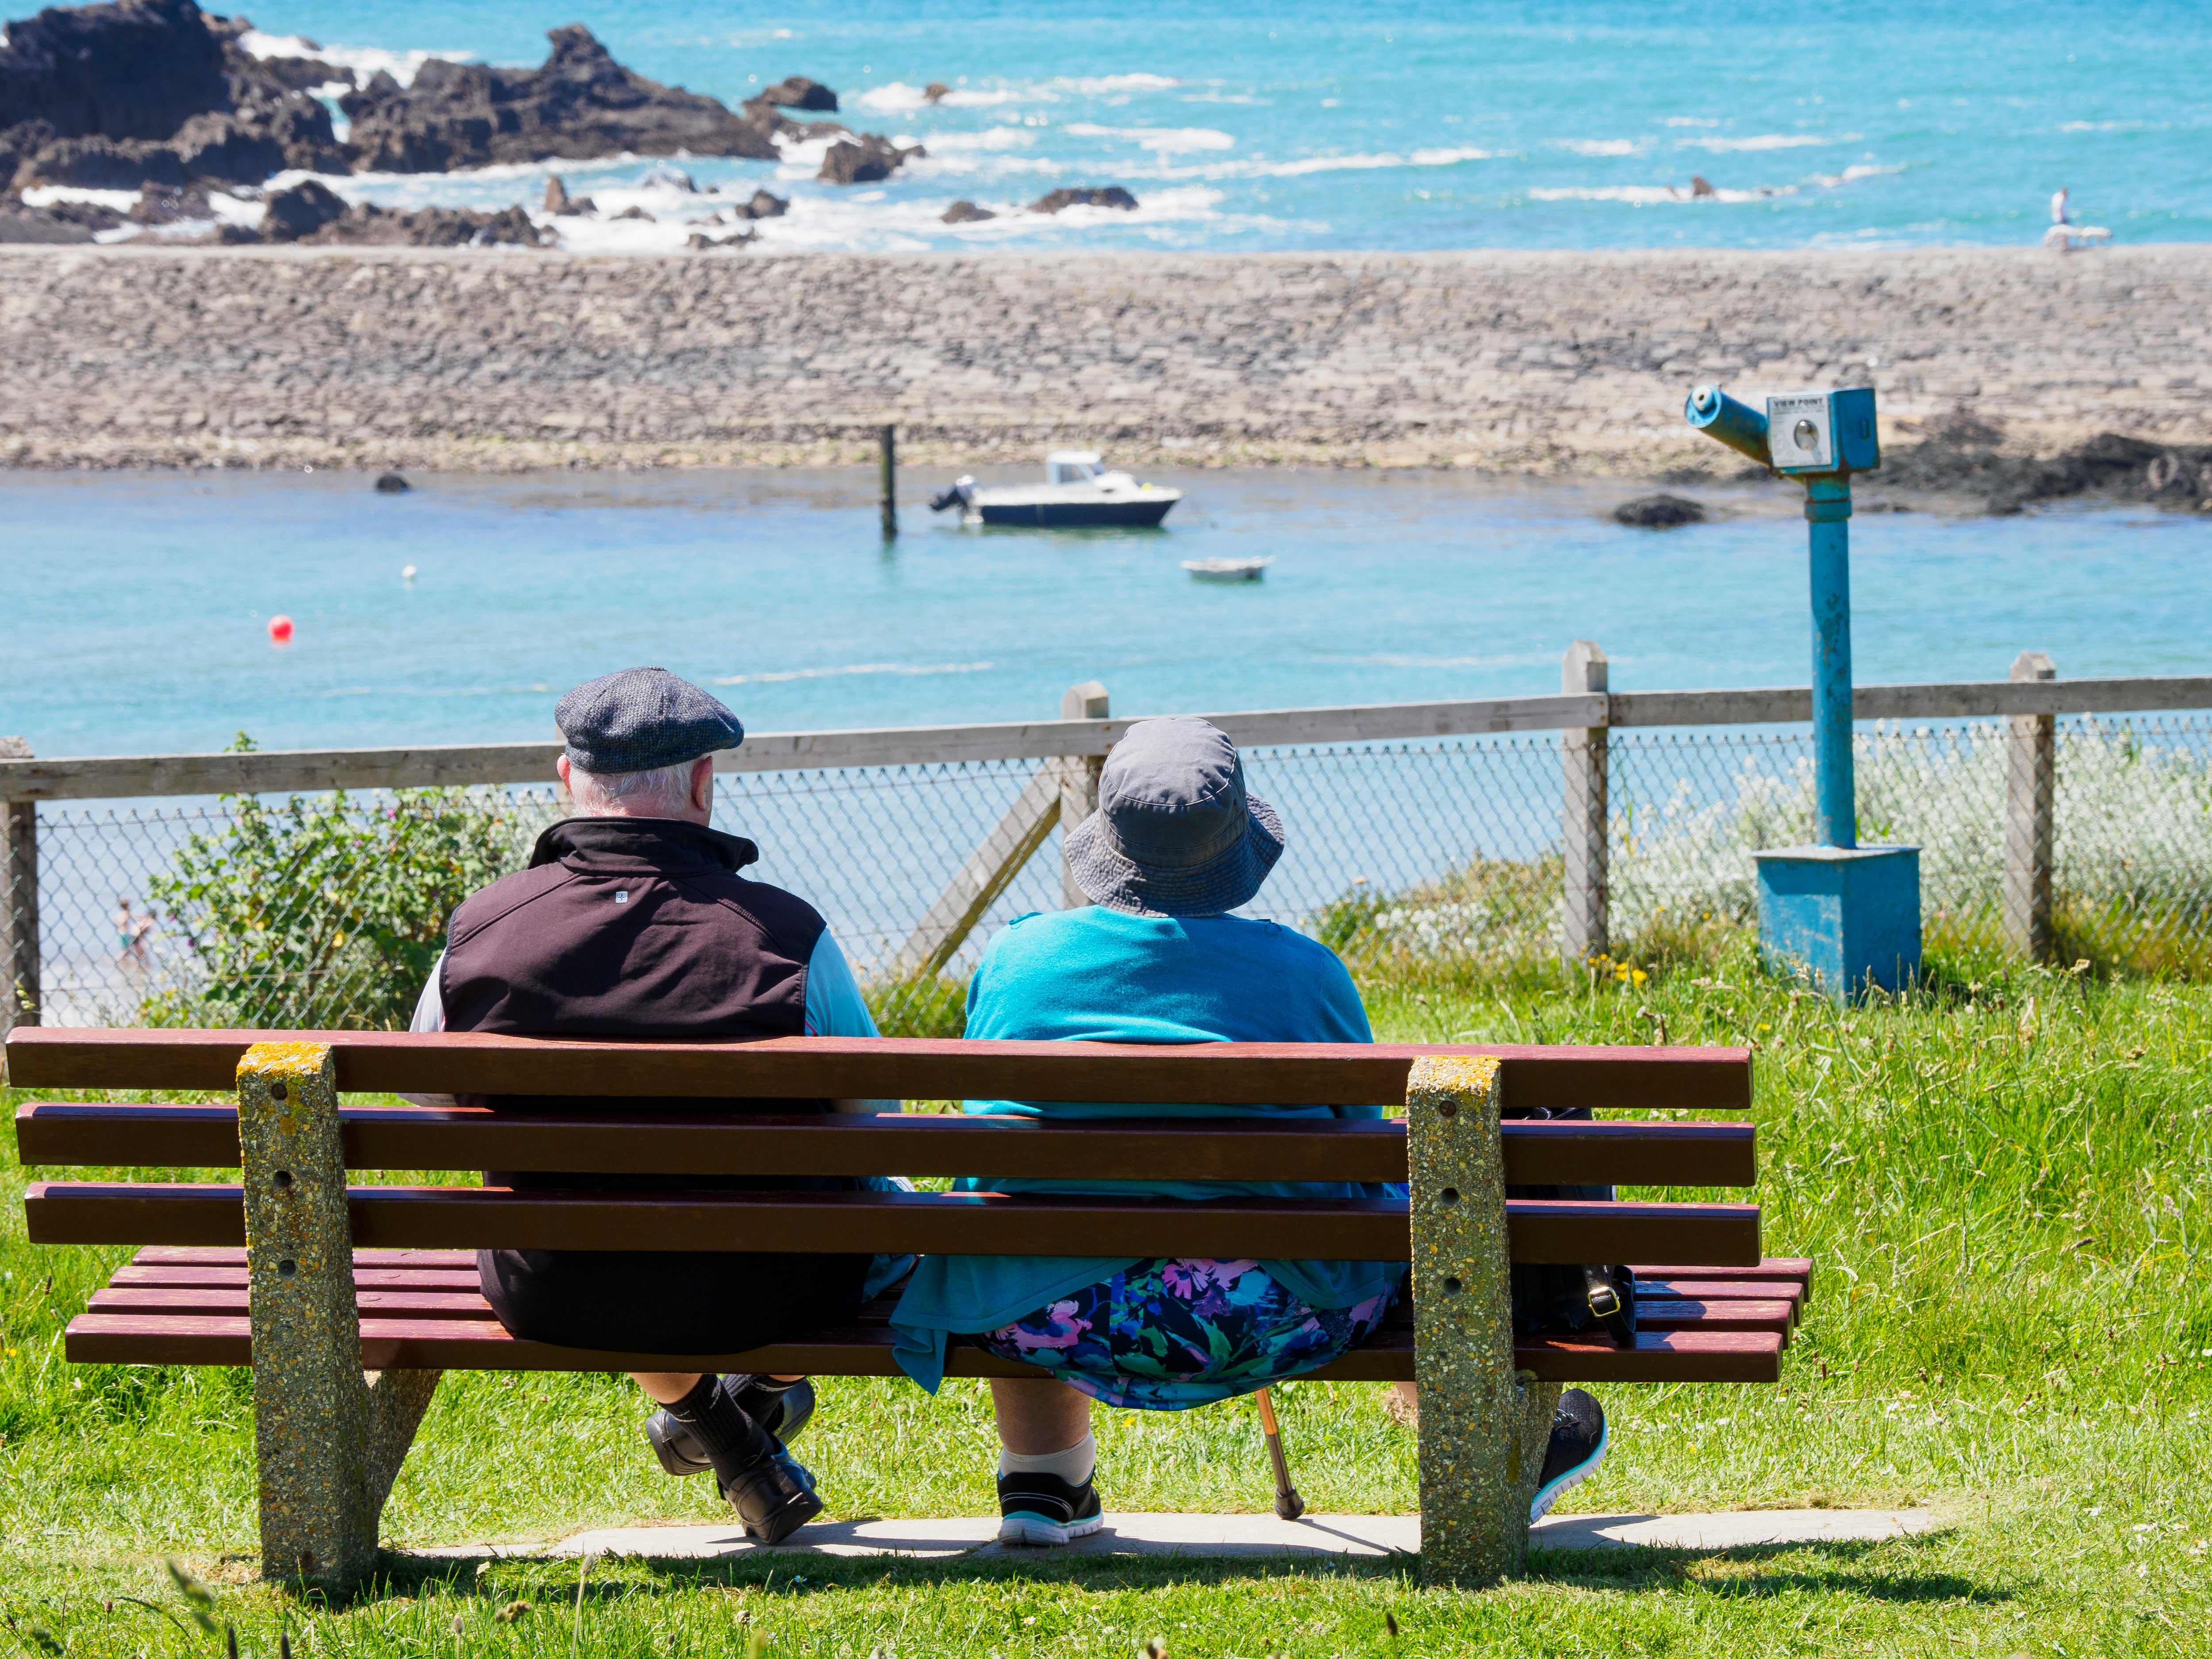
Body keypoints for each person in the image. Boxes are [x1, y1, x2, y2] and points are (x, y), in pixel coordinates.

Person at [886, 716, 1606, 1543]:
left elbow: (999, 1136)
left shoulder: (1017, 960)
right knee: (1417, 1203)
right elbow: (1360, 1148)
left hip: (1042, 1313)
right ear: (1233, 844)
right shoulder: (1304, 973)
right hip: (1269, 1314)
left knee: (1027, 1229)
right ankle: (1491, 1450)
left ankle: (1044, 1483)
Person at [404, 666, 909, 1544]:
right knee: (877, 1205)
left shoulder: (483, 930)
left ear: (569, 780)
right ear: (704, 785)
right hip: (778, 1287)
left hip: (555, 1288)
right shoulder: (788, 935)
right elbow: (870, 1111)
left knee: (602, 1228)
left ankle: (728, 1435)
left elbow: (426, 1087)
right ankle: (740, 1410)